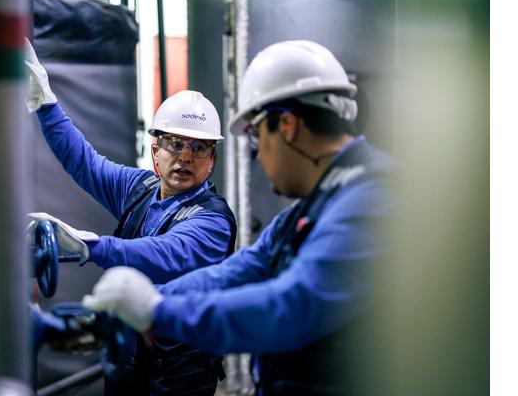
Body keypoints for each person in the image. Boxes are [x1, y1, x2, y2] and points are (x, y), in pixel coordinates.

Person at [83, 40, 398, 395]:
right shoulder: (315, 204)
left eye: (256, 138)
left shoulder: (374, 199)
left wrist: (159, 312)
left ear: (288, 126)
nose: (258, 157)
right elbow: (241, 269)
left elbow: (290, 307)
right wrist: (147, 301)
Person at [23, 38, 237, 395]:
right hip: (127, 366)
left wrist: (90, 246)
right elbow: (84, 162)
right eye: (174, 143)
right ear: (156, 152)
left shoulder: (212, 221)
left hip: (178, 379)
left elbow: (162, 253)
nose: (185, 156)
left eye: (199, 147)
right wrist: (45, 104)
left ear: (212, 160)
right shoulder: (139, 189)